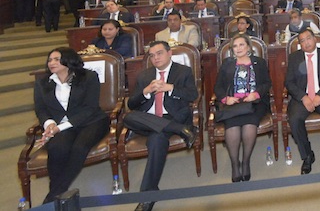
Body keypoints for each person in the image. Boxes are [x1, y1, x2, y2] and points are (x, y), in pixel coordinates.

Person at [123, 41, 197, 211]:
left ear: (169, 53)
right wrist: (146, 91)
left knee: (157, 140)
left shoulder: (183, 71)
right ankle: (181, 130)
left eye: (159, 53)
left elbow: (193, 95)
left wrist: (170, 88)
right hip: (147, 118)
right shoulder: (144, 76)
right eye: (152, 55)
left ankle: (148, 196)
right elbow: (132, 104)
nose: (155, 58)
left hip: (171, 116)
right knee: (129, 117)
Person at [35, 47, 109, 204]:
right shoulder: (43, 83)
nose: (52, 63)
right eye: (50, 60)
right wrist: (49, 123)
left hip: (92, 121)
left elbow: (91, 108)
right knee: (57, 147)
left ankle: (52, 198)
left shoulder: (89, 77)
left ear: (69, 60)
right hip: (62, 125)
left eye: (56, 59)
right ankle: (58, 195)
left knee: (79, 147)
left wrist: (59, 128)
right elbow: (41, 109)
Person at [214, 34, 271, 182]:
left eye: (241, 45)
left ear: (248, 47)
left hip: (254, 103)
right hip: (233, 103)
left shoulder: (259, 62)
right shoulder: (227, 64)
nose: (238, 48)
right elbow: (218, 87)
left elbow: (266, 83)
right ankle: (235, 164)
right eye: (235, 46)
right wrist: (227, 98)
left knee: (249, 125)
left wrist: (256, 94)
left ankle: (245, 162)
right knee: (232, 127)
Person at [284, 29, 320, 174]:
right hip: (302, 97)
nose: (306, 43)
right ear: (300, 44)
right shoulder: (294, 58)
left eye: (308, 38)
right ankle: (307, 155)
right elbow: (289, 83)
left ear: (315, 39)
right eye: (302, 41)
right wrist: (303, 97)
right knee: (294, 119)